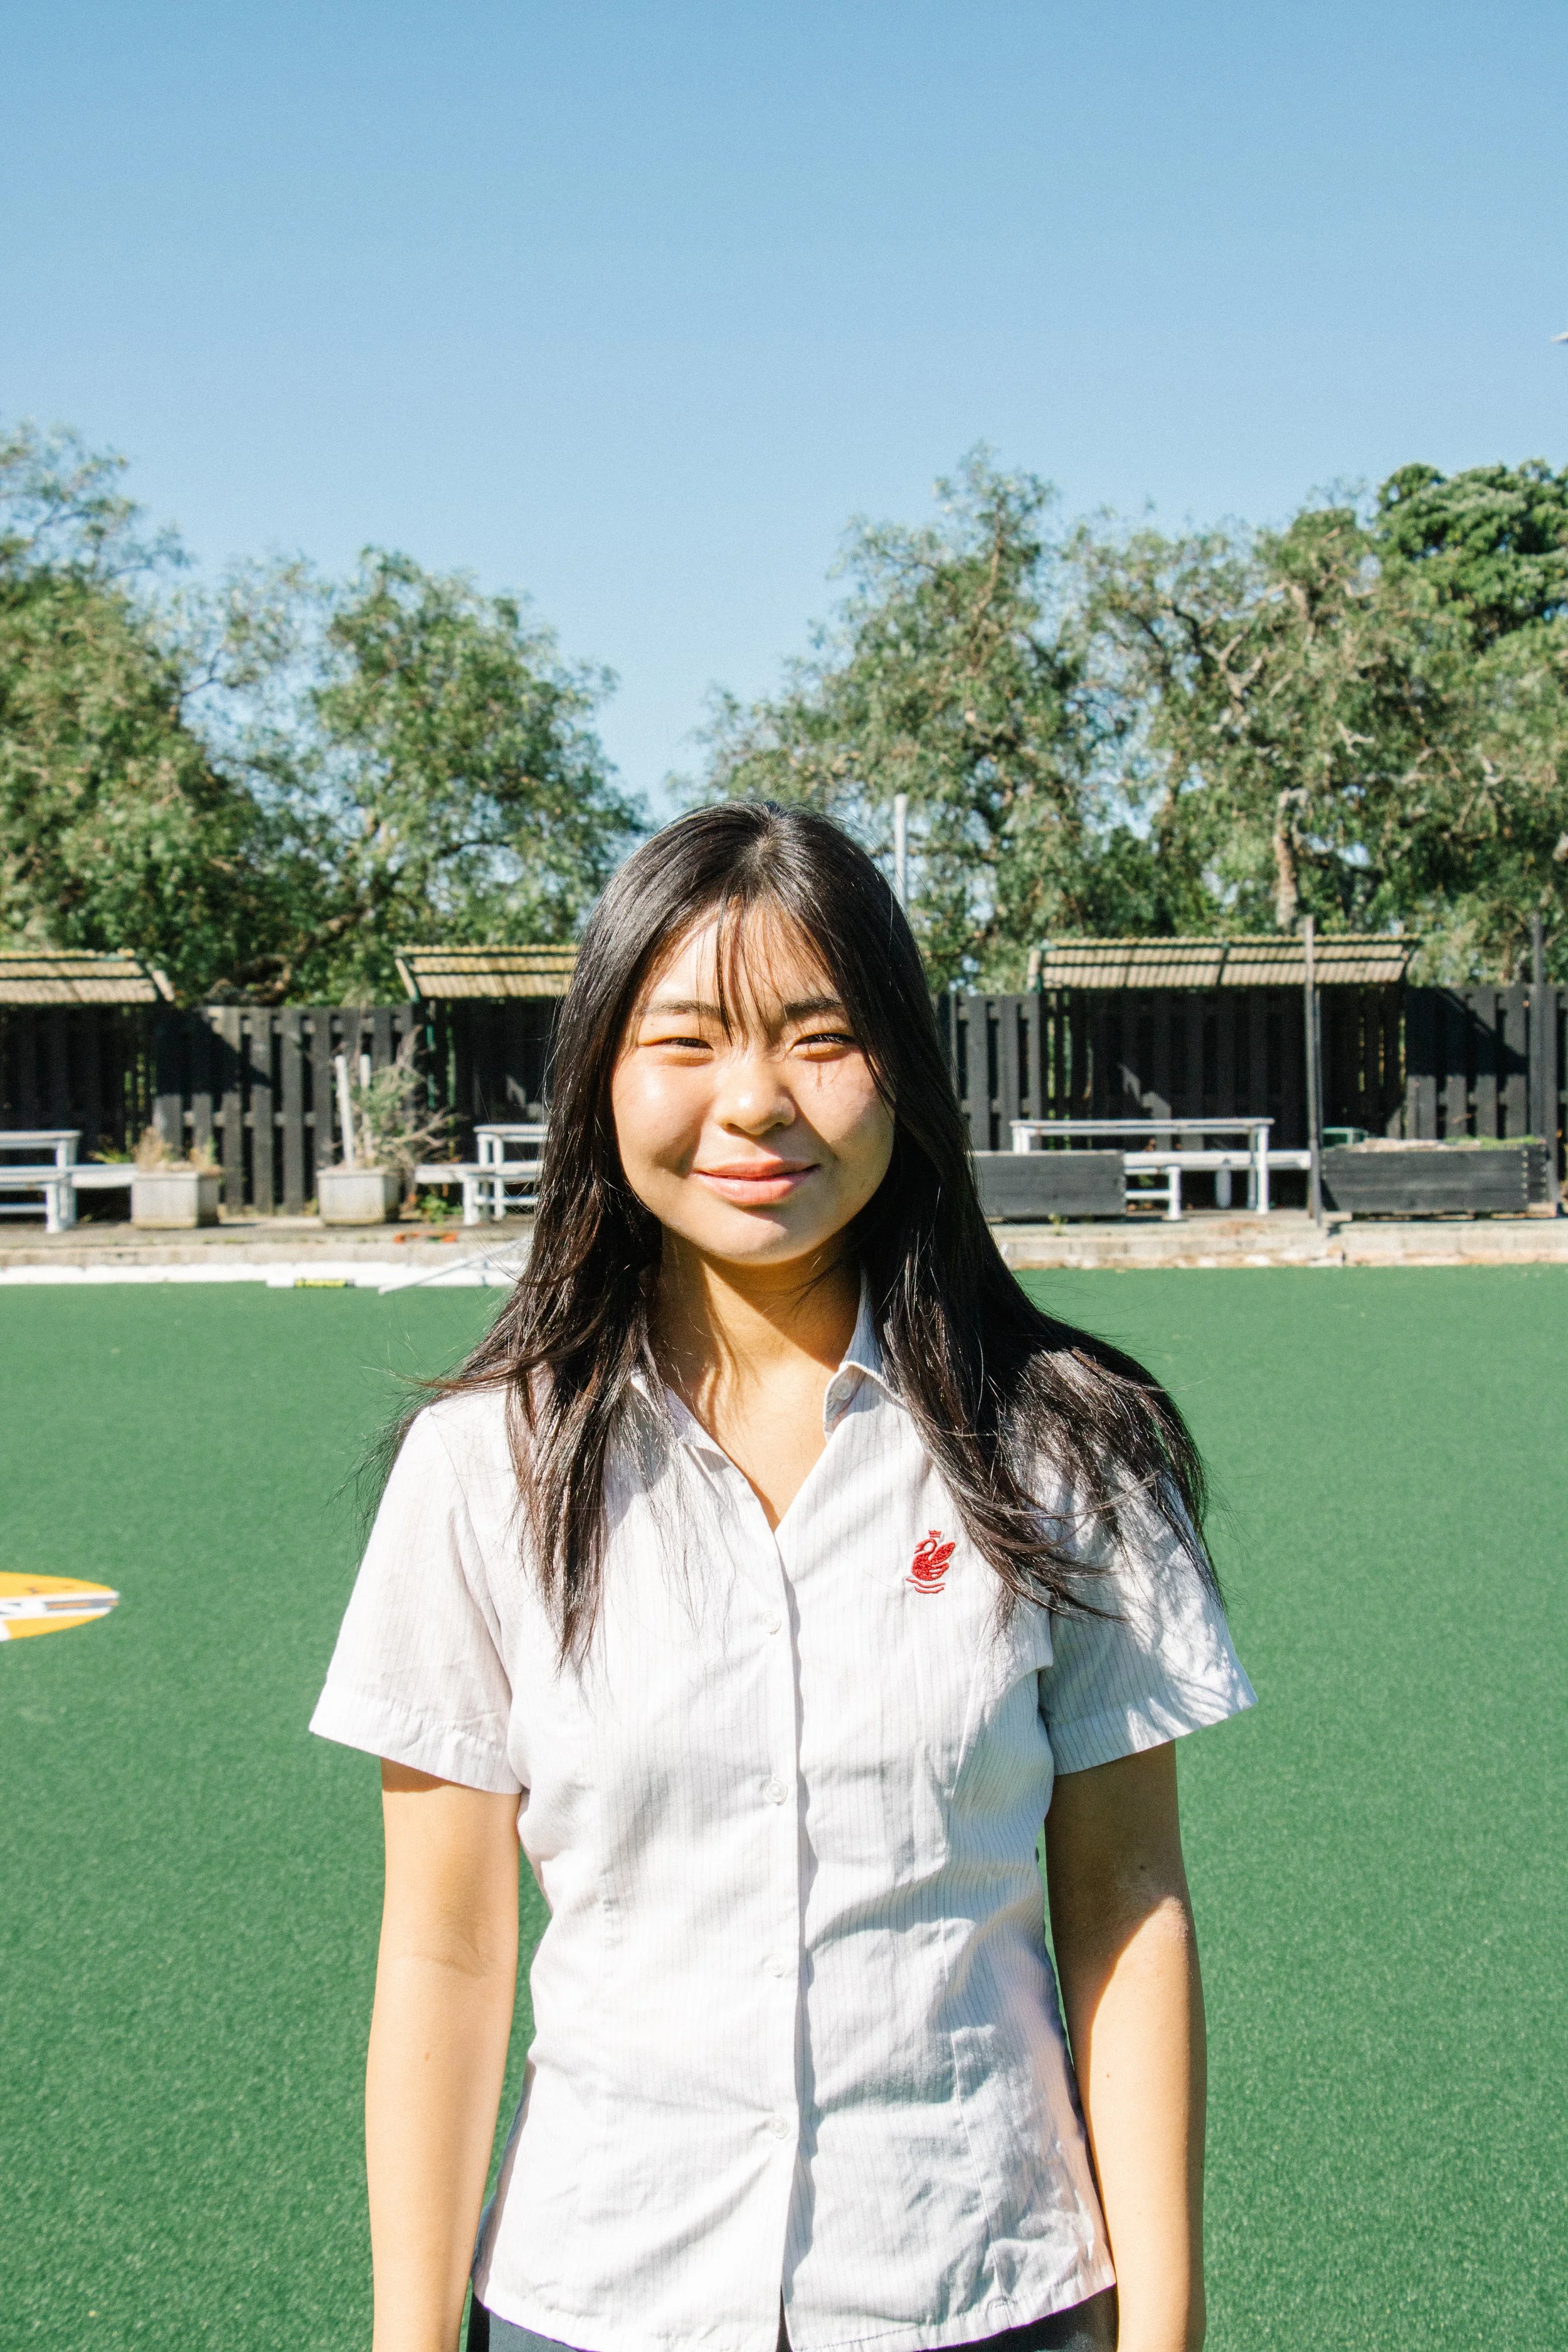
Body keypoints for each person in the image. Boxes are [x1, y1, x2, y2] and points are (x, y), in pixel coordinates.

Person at [312, 804, 1254, 2352]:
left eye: (819, 1038)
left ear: (904, 1069)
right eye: (683, 1040)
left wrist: (1163, 2326)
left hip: (978, 2282)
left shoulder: (1068, 1445)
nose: (753, 1103)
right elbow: (446, 1944)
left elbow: (1127, 1895)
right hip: (598, 2290)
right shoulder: (487, 1463)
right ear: (600, 1079)